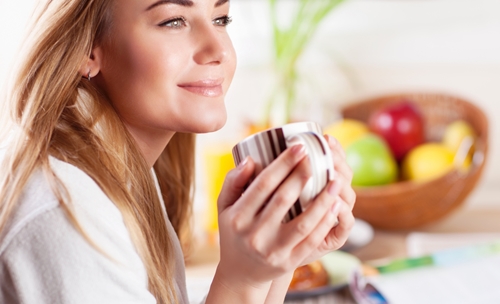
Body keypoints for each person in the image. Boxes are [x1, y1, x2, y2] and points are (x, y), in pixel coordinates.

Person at [0, 0, 356, 303]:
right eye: (174, 21)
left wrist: (279, 259)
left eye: (221, 19)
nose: (218, 50)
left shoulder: (117, 173)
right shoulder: (68, 215)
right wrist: (242, 280)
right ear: (87, 49)